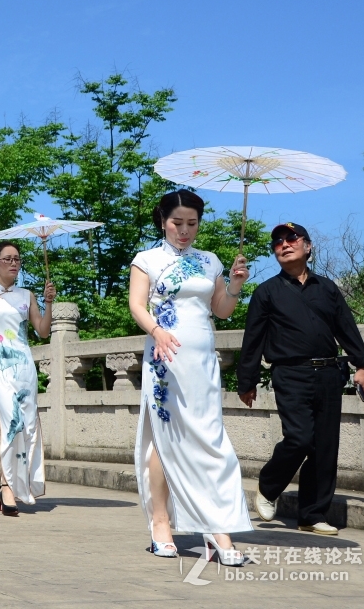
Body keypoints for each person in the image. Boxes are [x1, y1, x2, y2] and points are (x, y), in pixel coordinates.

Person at [128, 190, 251, 565]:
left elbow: (222, 311)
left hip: (201, 360)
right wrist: (157, 332)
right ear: (163, 221)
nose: (184, 231)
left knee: (211, 441)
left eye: (192, 224)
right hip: (165, 358)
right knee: (165, 441)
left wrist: (235, 285)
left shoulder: (209, 261)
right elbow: (136, 304)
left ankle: (217, 528)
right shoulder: (146, 259)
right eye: (177, 223)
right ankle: (161, 525)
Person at [238, 222, 364, 537]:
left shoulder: (327, 288)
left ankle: (312, 515)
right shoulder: (266, 292)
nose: (284, 244)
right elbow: (253, 341)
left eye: (291, 238)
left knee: (324, 446)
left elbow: (347, 329)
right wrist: (247, 381)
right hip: (290, 374)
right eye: (278, 242)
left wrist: (362, 366)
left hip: (329, 374)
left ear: (308, 247)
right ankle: (269, 486)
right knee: (299, 438)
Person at [0, 241, 54, 517]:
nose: (14, 263)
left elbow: (42, 331)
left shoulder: (26, 295)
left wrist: (48, 303)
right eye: (7, 259)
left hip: (24, 367)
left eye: (17, 259)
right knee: (11, 422)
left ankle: (10, 483)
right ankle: (7, 486)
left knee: (27, 425)